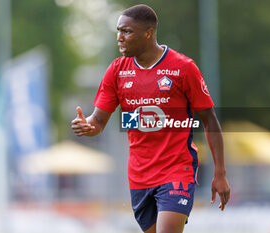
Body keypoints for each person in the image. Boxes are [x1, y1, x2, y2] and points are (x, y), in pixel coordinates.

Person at [71, 4, 230, 233]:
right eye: (118, 31)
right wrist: (87, 125)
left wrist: (220, 173)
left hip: (177, 169)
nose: (119, 38)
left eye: (127, 31)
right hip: (139, 176)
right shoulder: (117, 71)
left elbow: (209, 119)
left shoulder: (183, 68)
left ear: (148, 33)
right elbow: (98, 122)